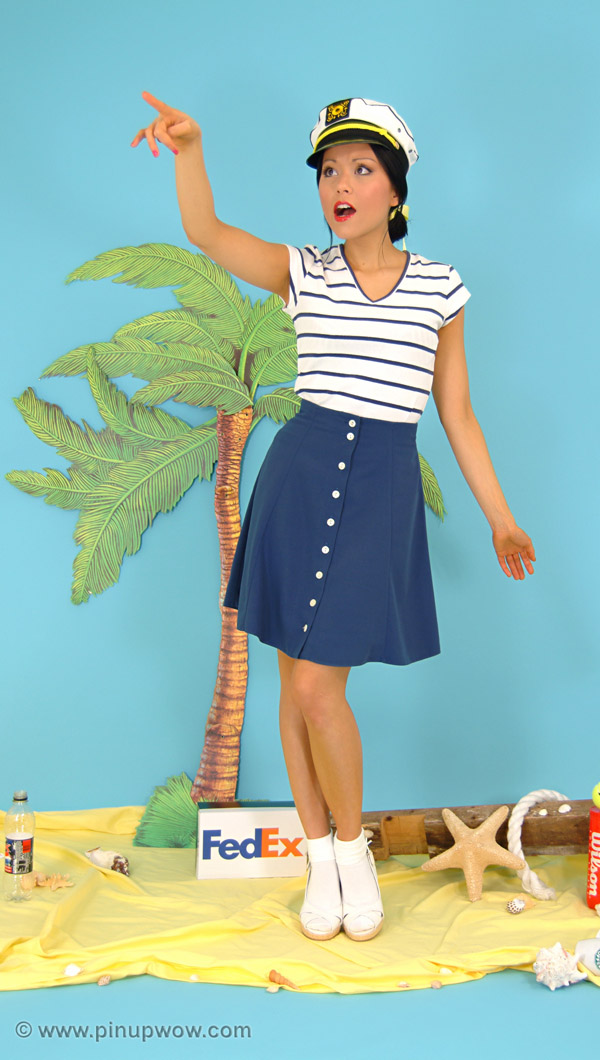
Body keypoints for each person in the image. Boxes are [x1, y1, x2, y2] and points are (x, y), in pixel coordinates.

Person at [131, 94, 536, 943]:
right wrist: (190, 149)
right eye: (327, 172)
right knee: (296, 685)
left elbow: (457, 413)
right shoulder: (302, 273)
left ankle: (349, 852)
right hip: (301, 478)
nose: (339, 186)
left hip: (381, 491)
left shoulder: (439, 288)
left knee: (319, 689)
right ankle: (327, 861)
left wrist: (500, 517)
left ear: (395, 188)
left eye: (360, 169)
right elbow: (206, 231)